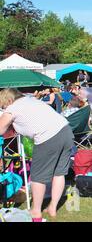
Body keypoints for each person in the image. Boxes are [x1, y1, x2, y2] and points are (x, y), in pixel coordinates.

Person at [0, 88, 74, 221]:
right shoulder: (31, 100)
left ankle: (35, 211)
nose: (3, 108)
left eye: (2, 105)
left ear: (8, 100)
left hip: (47, 137)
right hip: (66, 131)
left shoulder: (12, 108)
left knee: (37, 177)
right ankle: (52, 207)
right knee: (59, 173)